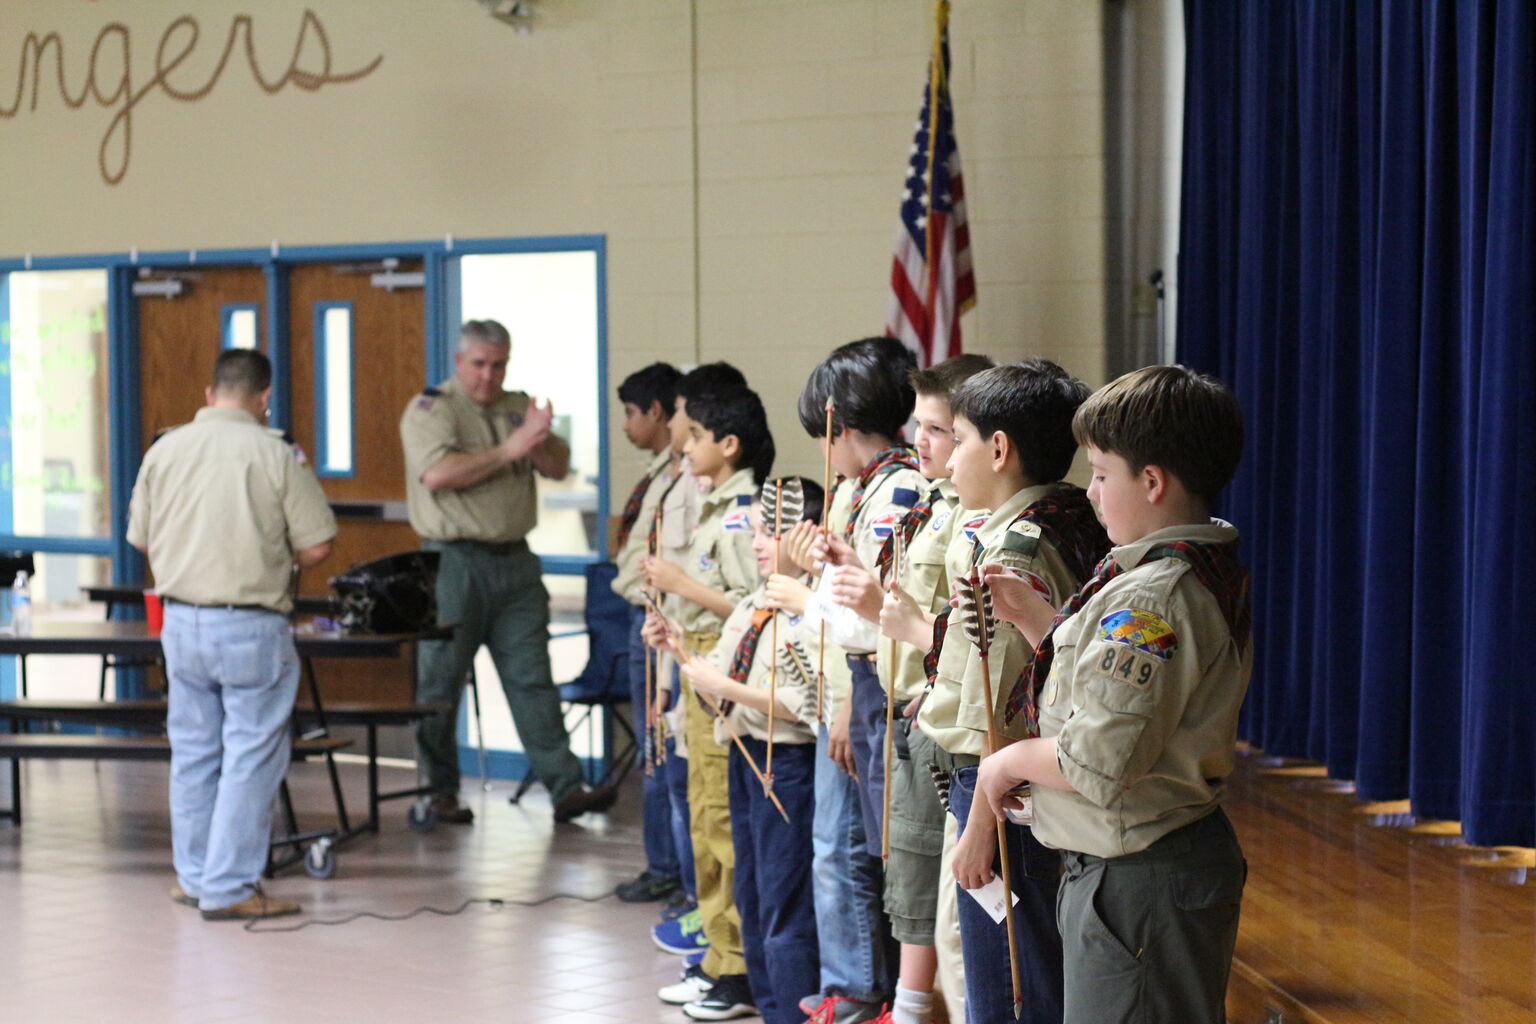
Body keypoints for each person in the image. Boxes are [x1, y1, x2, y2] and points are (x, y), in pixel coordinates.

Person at [974, 365, 1251, 1024]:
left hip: (1141, 875)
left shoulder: (1153, 594)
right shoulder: (1161, 573)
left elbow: (1096, 761)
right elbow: (1122, 695)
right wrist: (1038, 621)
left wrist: (1005, 764)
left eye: (1100, 474)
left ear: (1152, 482)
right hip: (1128, 867)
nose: (1091, 494)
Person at [917, 360, 1110, 1024]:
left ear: (999, 449)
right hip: (1007, 787)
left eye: (959, 439)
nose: (945, 463)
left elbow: (1016, 717)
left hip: (1005, 794)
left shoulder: (1016, 553)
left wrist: (979, 827)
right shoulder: (1053, 522)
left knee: (1010, 985)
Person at [127, 348, 337, 920]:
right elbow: (317, 545)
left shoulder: (164, 449)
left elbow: (140, 539)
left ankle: (195, 878)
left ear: (209, 393)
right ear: (265, 398)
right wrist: (270, 560)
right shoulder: (275, 454)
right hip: (249, 625)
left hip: (180, 623)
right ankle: (230, 887)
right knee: (250, 756)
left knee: (194, 754)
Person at [399, 319, 615, 825]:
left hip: (515, 562)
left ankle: (565, 788)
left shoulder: (519, 406)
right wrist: (513, 447)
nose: (489, 376)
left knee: (532, 678)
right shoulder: (432, 409)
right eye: (479, 364)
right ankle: (439, 792)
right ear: (459, 362)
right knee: (440, 682)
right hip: (453, 562)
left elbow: (559, 466)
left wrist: (538, 438)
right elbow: (438, 474)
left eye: (499, 364)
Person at [787, 336, 927, 1024]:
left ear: (840, 425)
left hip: (873, 681)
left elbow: (877, 611)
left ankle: (868, 989)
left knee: (862, 848)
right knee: (838, 844)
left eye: (823, 433)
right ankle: (854, 986)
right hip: (853, 678)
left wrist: (845, 703)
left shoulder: (897, 489)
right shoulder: (862, 487)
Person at [851, 353, 994, 1024]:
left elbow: (990, 645)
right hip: (918, 713)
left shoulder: (985, 525)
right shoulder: (930, 506)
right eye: (919, 426)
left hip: (965, 737)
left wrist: (922, 640)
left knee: (961, 928)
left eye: (939, 430)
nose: (920, 442)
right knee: (911, 887)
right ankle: (908, 1010)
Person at [655, 475, 826, 1024]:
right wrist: (681, 652)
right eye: (754, 531)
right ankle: (769, 1002)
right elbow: (721, 687)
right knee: (749, 892)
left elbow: (807, 703)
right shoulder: (754, 601)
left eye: (768, 532)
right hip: (745, 756)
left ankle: (793, 1012)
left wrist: (726, 688)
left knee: (784, 902)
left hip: (788, 764)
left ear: (804, 536)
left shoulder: (811, 609)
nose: (756, 543)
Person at [643, 384, 776, 1021]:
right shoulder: (710, 503)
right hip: (696, 658)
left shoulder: (744, 510)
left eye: (694, 435)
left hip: (726, 667)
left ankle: (738, 966)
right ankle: (718, 955)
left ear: (728, 445)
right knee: (702, 813)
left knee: (723, 818)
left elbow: (756, 609)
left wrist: (680, 584)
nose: (684, 444)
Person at [610, 361, 686, 904]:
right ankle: (663, 862)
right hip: (647, 618)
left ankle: (669, 868)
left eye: (631, 413)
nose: (625, 425)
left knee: (661, 750)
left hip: (667, 621)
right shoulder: (661, 471)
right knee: (654, 749)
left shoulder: (683, 475)